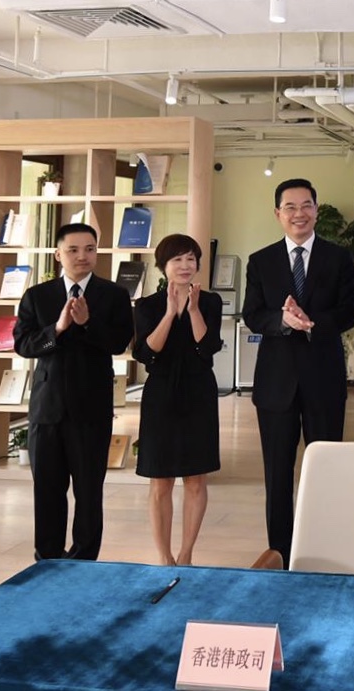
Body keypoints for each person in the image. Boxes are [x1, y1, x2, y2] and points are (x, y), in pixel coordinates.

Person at [242, 178, 354, 566]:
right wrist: (283, 321)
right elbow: (253, 314)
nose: (299, 213)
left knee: (326, 470)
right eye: (290, 207)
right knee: (277, 475)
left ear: (316, 210)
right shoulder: (261, 261)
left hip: (324, 380)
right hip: (276, 385)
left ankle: (324, 550)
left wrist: (311, 322)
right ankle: (281, 552)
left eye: (306, 205)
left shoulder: (338, 258)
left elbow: (349, 311)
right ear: (278, 214)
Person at [12, 223, 135, 561]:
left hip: (91, 409)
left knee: (89, 491)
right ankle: (48, 559)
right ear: (58, 254)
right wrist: (58, 328)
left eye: (90, 249)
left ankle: (83, 560)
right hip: (47, 408)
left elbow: (118, 342)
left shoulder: (114, 295)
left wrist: (87, 323)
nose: (83, 256)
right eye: (74, 250)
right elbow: (23, 345)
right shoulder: (38, 295)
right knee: (47, 491)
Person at [133, 234, 223, 566]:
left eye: (190, 259)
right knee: (161, 480)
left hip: (199, 393)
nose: (185, 266)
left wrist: (193, 310)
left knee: (196, 479)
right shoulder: (147, 305)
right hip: (161, 395)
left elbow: (208, 348)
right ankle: (163, 556)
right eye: (177, 260)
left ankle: (186, 554)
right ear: (163, 266)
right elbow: (145, 353)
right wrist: (170, 314)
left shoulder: (210, 302)